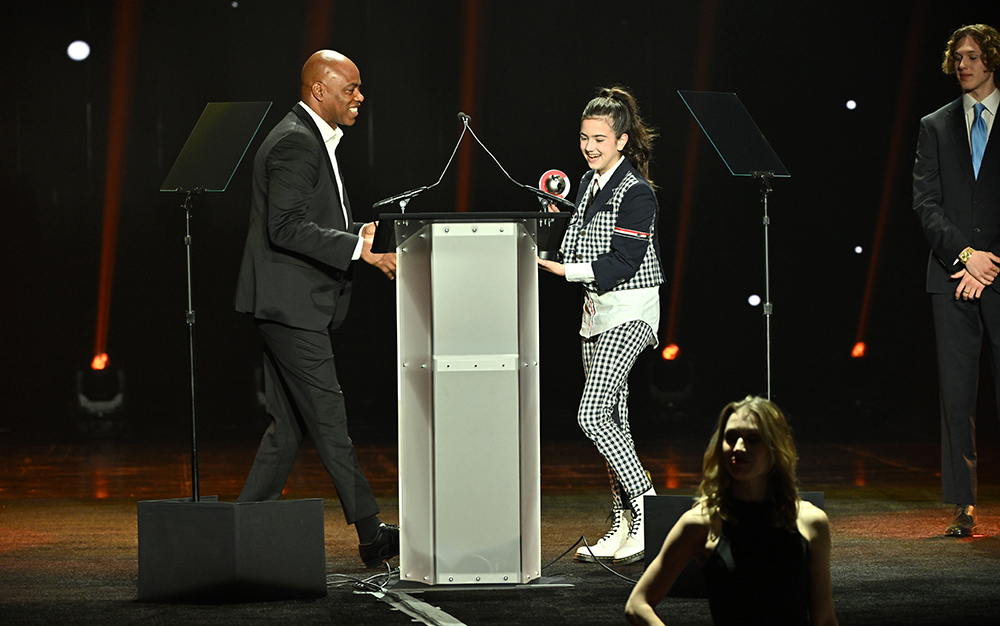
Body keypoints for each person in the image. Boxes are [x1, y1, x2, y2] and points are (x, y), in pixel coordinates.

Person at [233, 49, 399, 567]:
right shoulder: (295, 142)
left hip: (287, 304)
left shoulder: (306, 137)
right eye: (350, 88)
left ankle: (241, 530)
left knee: (287, 427)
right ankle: (372, 535)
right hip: (290, 307)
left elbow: (301, 219)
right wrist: (358, 249)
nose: (359, 97)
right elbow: (283, 228)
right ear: (318, 91)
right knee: (329, 420)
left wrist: (352, 235)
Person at [538, 86, 664, 564]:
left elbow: (623, 261)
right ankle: (624, 526)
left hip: (630, 311)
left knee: (592, 416)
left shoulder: (638, 193)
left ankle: (649, 510)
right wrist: (558, 222)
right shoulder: (591, 183)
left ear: (623, 140)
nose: (590, 147)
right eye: (585, 138)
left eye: (600, 139)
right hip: (596, 314)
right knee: (616, 422)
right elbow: (581, 238)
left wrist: (563, 270)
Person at [624, 397, 838, 626]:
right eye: (730, 437)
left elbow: (824, 619)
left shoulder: (810, 521)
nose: (738, 448)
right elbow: (637, 605)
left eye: (753, 439)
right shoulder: (701, 523)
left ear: (776, 447)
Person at [913, 23, 1000, 537]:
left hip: (999, 273)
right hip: (951, 277)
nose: (963, 64)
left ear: (992, 59)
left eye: (972, 55)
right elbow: (925, 203)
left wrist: (992, 261)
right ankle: (963, 506)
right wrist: (967, 257)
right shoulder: (936, 125)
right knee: (957, 394)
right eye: (958, 57)